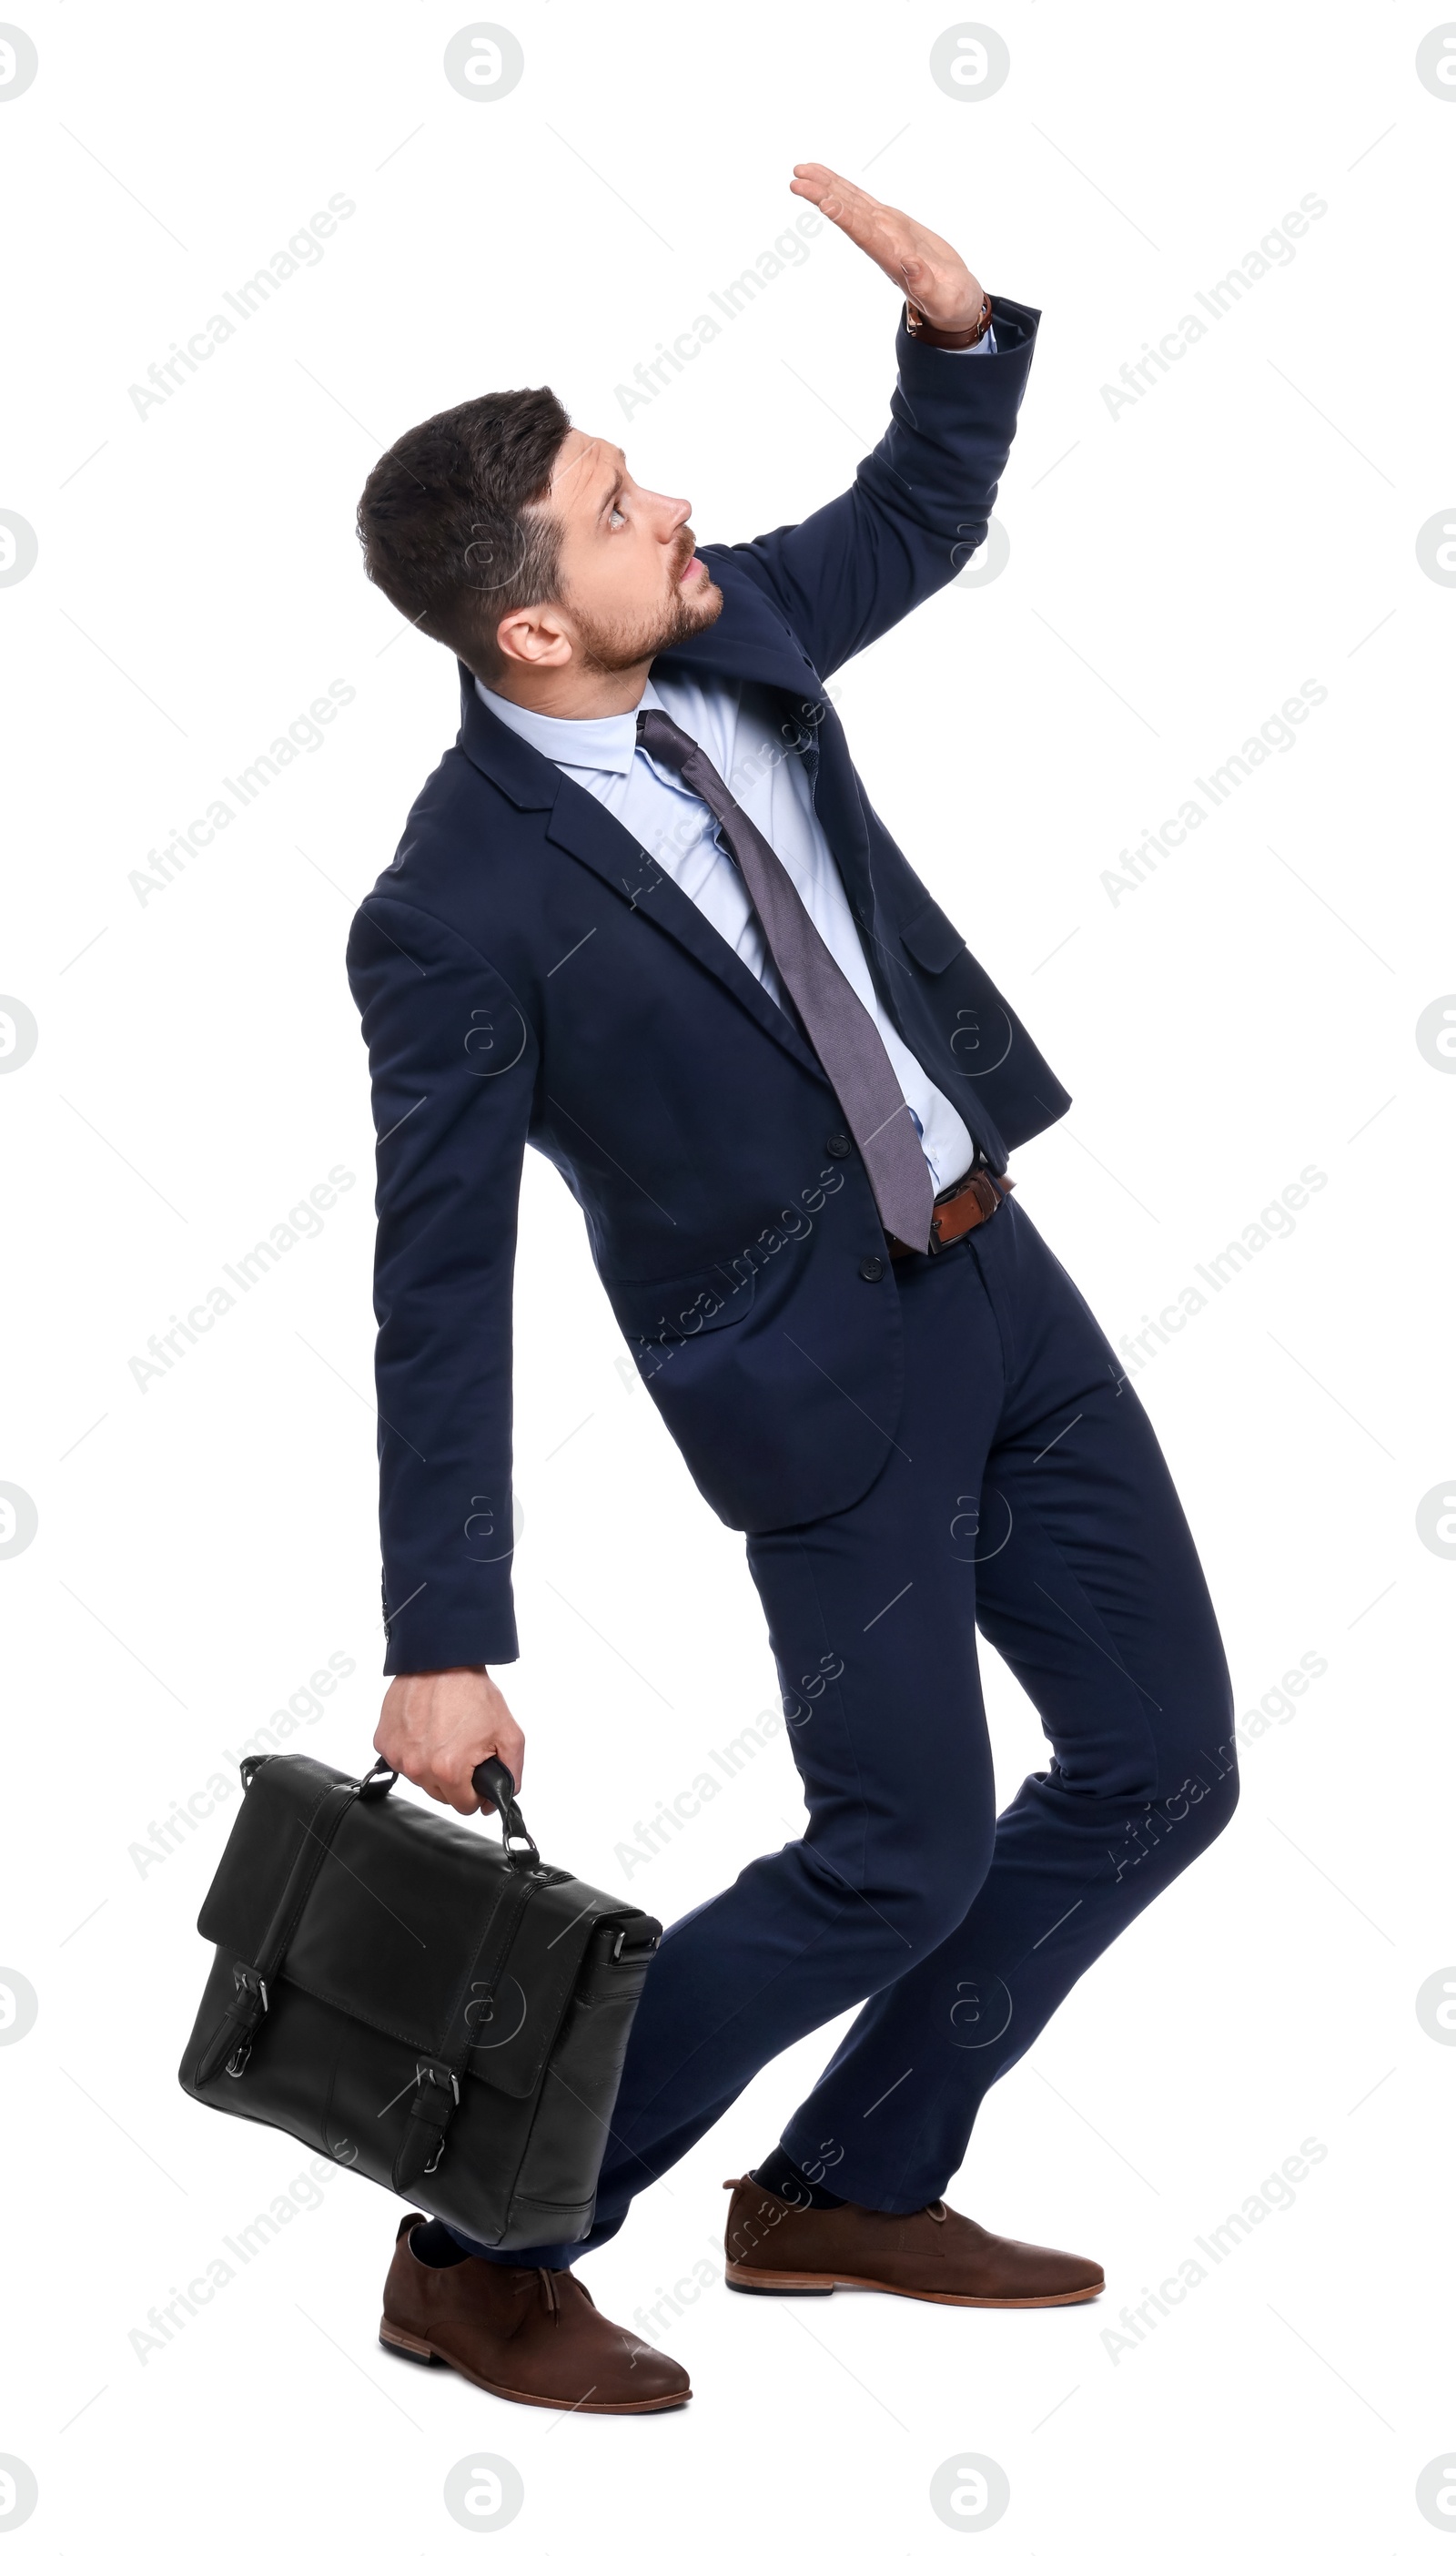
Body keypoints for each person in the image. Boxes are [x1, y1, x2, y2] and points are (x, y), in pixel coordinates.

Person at [349, 162, 1238, 2414]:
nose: (676, 512)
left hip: (996, 1291)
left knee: (1154, 1764)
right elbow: (436, 1278)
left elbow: (904, 531)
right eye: (618, 507)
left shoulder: (724, 625)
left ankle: (844, 2185)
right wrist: (439, 1637)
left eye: (637, 477)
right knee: (894, 1853)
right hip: (813, 1387)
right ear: (526, 631)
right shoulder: (448, 913)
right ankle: (480, 2237)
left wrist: (952, 345)